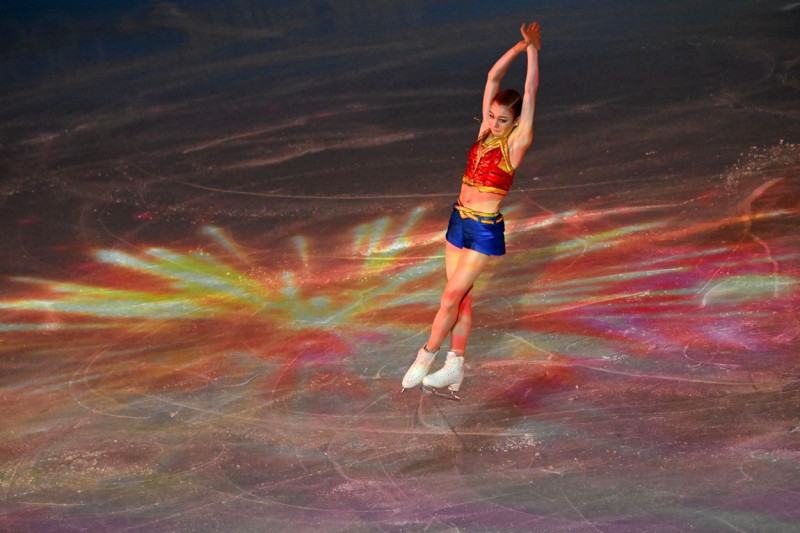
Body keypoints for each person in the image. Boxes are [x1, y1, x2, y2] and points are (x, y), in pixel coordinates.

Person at [401, 22, 541, 399]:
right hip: (458, 220)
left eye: (502, 120)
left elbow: (528, 91)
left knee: (450, 298)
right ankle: (456, 366)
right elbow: (493, 76)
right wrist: (519, 44)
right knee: (460, 298)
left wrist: (533, 52)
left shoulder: (515, 144)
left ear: (515, 124)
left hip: (482, 230)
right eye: (491, 116)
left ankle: (426, 356)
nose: (493, 123)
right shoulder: (483, 134)